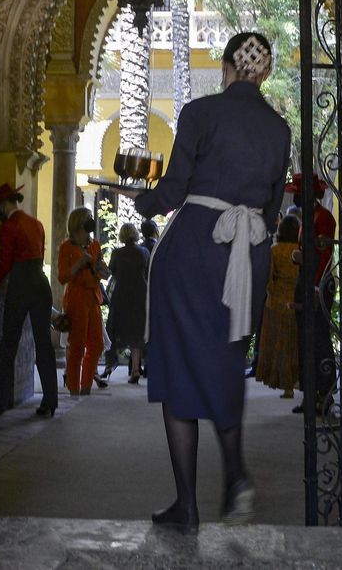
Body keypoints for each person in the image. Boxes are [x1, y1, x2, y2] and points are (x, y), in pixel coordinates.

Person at [117, 31, 291, 533]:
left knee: (176, 370)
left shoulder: (200, 113)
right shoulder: (279, 130)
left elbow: (173, 190)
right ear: (265, 72)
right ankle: (235, 472)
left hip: (194, 251)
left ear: (227, 67)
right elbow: (274, 211)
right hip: (247, 255)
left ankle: (187, 506)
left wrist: (140, 201)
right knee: (224, 359)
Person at [0, 183, 58, 418]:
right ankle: (51, 400)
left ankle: (1, 402)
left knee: (9, 343)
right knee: (44, 345)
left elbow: (5, 265)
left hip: (20, 286)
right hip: (41, 285)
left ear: (3, 205)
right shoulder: (37, 224)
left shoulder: (8, 227)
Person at [288, 174, 337, 415]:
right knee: (305, 341)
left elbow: (324, 254)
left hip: (317, 283)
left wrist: (317, 286)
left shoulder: (323, 217)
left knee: (318, 339)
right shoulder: (309, 217)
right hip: (306, 281)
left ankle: (324, 394)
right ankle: (310, 394)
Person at [58, 206, 107, 396]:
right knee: (77, 343)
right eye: (88, 218)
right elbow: (62, 277)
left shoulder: (94, 244)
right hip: (77, 296)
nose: (91, 221)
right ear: (78, 223)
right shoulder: (66, 247)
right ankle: (74, 387)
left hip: (93, 296)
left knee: (97, 343)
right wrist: (79, 263)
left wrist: (101, 269)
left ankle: (86, 384)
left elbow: (100, 271)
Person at [253, 214, 301, 397]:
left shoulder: (274, 250)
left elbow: (268, 279)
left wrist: (271, 296)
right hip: (297, 302)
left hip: (276, 304)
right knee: (294, 344)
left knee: (279, 346)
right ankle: (297, 381)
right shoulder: (301, 249)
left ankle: (286, 385)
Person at [105, 223, 150, 383]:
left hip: (122, 294)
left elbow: (111, 271)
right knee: (137, 332)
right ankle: (136, 369)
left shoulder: (117, 253)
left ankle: (109, 365)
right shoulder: (144, 252)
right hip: (140, 294)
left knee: (114, 329)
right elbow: (147, 272)